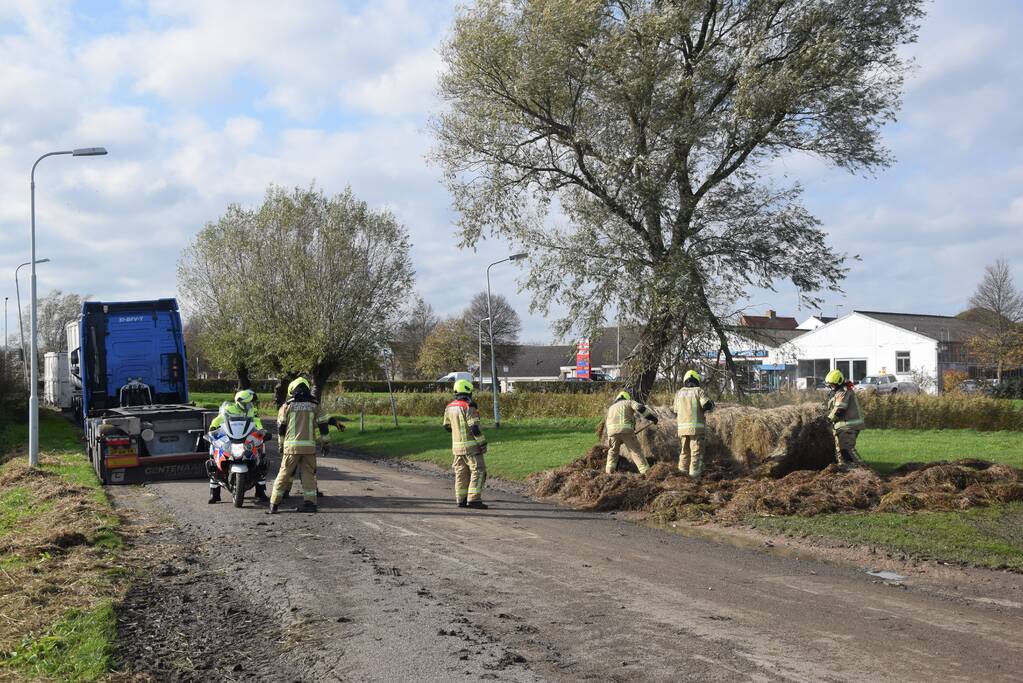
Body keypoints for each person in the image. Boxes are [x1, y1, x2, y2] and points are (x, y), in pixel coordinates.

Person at [268, 377, 332, 514]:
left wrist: (280, 444)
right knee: (309, 476)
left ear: (292, 390)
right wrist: (325, 442)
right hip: (309, 448)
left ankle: (274, 504)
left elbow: (281, 428)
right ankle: (310, 504)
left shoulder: (287, 406)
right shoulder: (315, 405)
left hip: (291, 448)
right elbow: (323, 425)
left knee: (284, 474)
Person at [207, 389, 267, 504]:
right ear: (239, 402)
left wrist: (261, 430)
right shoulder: (229, 409)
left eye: (250, 403)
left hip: (246, 437)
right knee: (214, 453)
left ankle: (260, 492)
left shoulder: (251, 410)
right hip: (232, 436)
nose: (250, 405)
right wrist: (213, 428)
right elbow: (218, 419)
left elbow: (256, 420)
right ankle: (214, 494)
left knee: (261, 454)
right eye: (247, 403)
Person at [443, 379, 488, 509]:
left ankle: (461, 499)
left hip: (456, 448)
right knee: (478, 471)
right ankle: (474, 500)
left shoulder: (449, 407)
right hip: (472, 448)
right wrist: (483, 443)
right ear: (468, 391)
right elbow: (474, 428)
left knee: (461, 473)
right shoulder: (469, 406)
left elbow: (446, 426)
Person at [672, 370, 715, 481]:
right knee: (695, 453)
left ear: (685, 381)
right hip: (696, 429)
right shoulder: (699, 391)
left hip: (682, 429)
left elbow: (675, 410)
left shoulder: (679, 393)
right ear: (696, 381)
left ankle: (682, 476)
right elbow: (706, 405)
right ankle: (694, 477)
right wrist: (711, 404)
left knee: (684, 452)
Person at [604, 390, 658, 475]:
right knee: (635, 452)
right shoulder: (629, 402)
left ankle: (609, 473)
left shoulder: (611, 407)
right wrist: (652, 418)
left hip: (611, 432)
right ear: (626, 398)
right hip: (626, 431)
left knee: (612, 452)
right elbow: (640, 408)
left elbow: (609, 421)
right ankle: (646, 473)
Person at [824, 369, 865, 466]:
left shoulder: (844, 392)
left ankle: (863, 470)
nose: (830, 386)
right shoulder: (837, 392)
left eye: (832, 384)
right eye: (829, 384)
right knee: (840, 451)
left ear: (838, 383)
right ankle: (846, 469)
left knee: (847, 449)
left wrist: (827, 420)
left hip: (848, 425)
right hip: (842, 426)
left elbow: (839, 409)